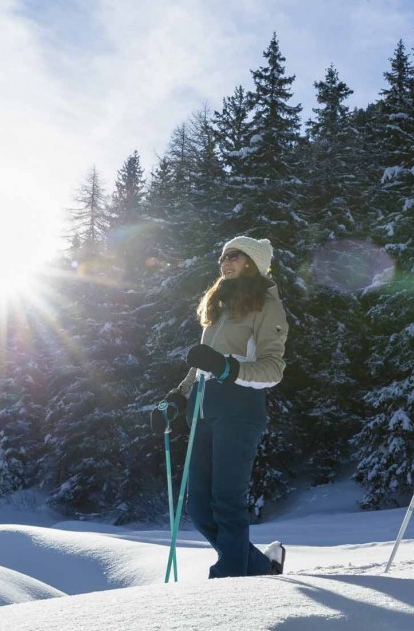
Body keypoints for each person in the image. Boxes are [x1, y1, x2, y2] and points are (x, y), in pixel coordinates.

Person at [153, 235, 289, 578]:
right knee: (200, 509)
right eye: (223, 257)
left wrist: (227, 368)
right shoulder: (220, 307)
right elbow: (203, 366)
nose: (224, 262)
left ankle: (227, 586)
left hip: (240, 410)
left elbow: (273, 369)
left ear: (253, 262)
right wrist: (176, 397)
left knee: (226, 504)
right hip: (203, 412)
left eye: (234, 255)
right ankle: (261, 566)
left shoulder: (266, 304)